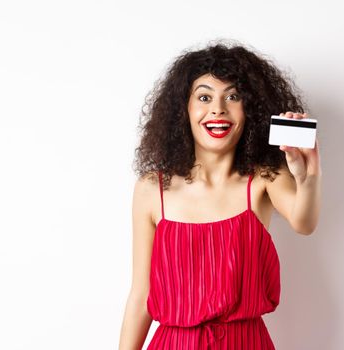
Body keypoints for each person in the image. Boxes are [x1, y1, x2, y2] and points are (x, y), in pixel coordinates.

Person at [118, 40, 322, 350]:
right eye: (204, 97)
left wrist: (308, 179)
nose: (218, 109)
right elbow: (141, 294)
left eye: (233, 96)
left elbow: (304, 223)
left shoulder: (265, 178)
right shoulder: (152, 189)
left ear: (250, 110)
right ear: (182, 109)